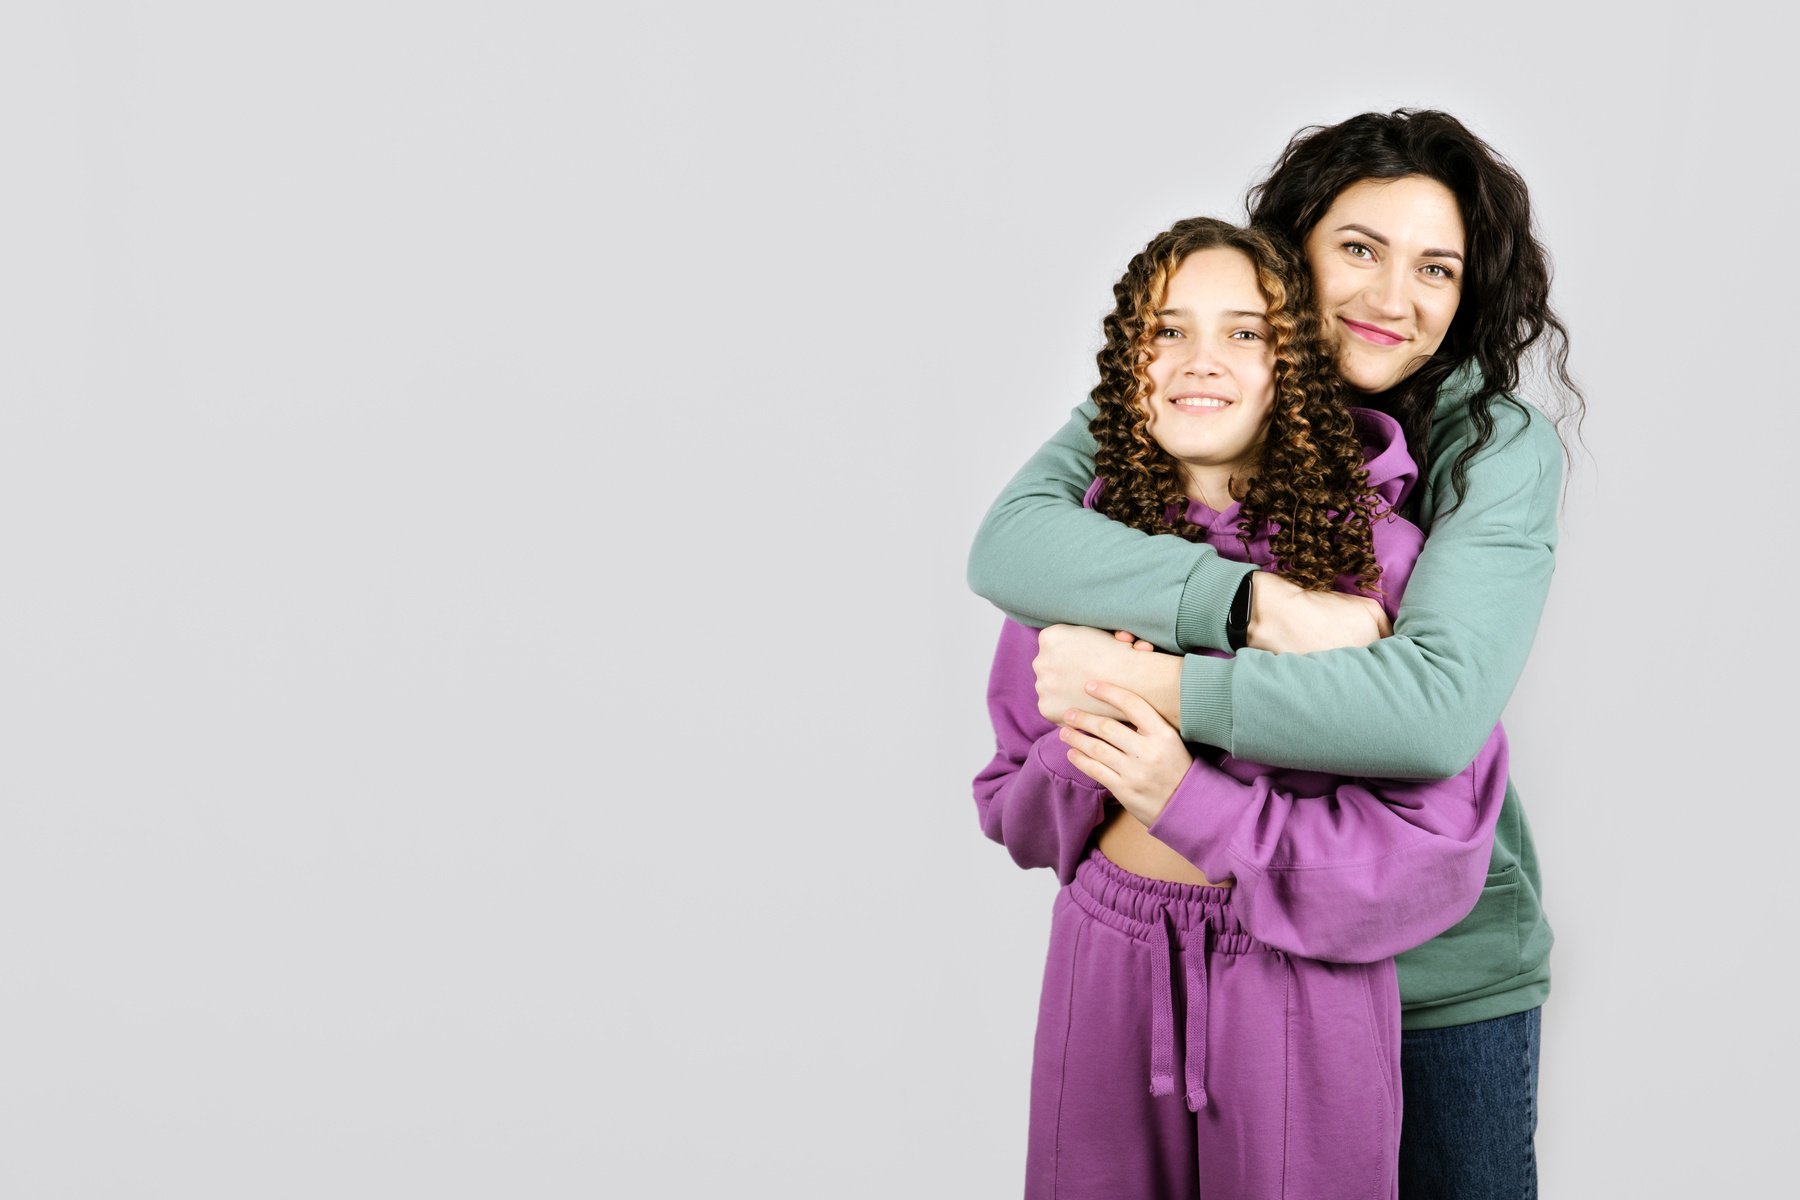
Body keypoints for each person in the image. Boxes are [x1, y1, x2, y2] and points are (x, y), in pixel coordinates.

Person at [967, 110, 1581, 1199]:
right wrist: (1251, 604)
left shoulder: (1489, 446)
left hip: (1435, 969)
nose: (1393, 298)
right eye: (1358, 249)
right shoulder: (1200, 382)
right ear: (1289, 255)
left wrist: (1149, 685)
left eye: (1435, 267)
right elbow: (1016, 540)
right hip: (1189, 952)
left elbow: (1429, 717)